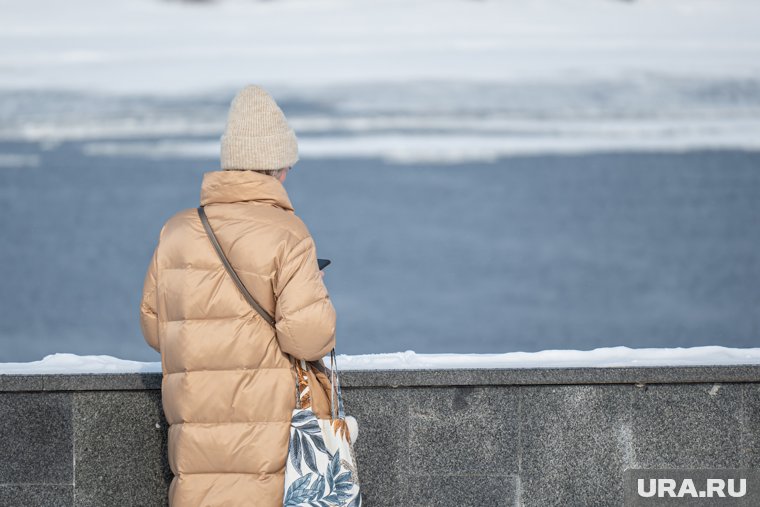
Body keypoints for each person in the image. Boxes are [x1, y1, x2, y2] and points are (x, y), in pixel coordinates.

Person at [139, 85, 337, 506]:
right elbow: (308, 337)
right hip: (269, 438)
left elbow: (156, 330)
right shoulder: (288, 233)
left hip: (194, 439)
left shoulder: (176, 231)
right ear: (280, 167)